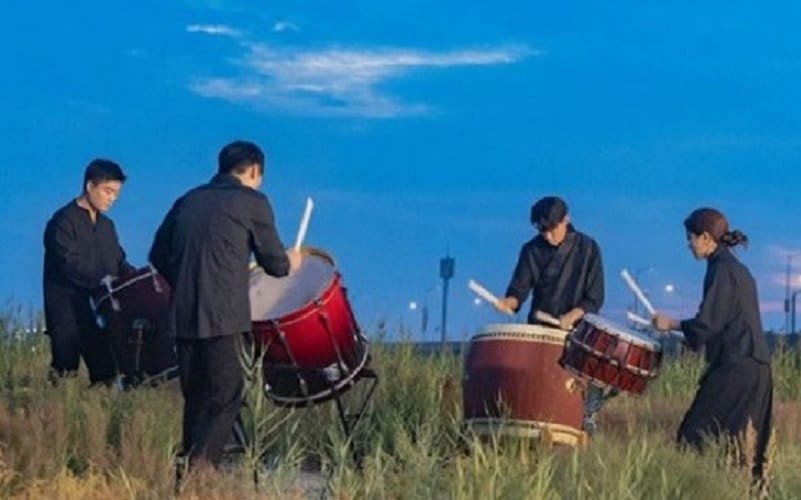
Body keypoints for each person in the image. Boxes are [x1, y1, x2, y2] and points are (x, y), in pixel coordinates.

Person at [149, 140, 302, 473]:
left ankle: (186, 470)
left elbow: (157, 255)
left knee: (197, 398)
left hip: (184, 315)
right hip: (223, 317)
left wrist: (190, 279)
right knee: (227, 395)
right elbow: (274, 264)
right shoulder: (252, 202)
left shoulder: (187, 201)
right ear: (253, 170)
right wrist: (290, 260)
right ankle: (199, 472)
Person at [652, 208, 772, 484]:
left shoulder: (722, 270)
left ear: (706, 238)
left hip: (738, 366)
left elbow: (709, 323)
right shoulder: (735, 269)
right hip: (753, 366)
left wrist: (671, 324)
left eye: (690, 238)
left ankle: (695, 489)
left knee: (694, 434)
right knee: (742, 445)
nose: (688, 244)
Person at [494, 195, 607, 432]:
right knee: (539, 392)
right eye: (541, 231)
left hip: (578, 332)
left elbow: (595, 297)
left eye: (551, 230)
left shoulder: (588, 248)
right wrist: (509, 302)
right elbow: (519, 289)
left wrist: (573, 315)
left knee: (574, 393)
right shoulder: (531, 250)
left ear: (566, 220)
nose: (546, 236)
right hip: (541, 332)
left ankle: (580, 429)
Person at [43, 159, 133, 385]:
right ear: (90, 186)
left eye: (116, 194)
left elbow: (119, 262)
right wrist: (103, 281)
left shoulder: (107, 227)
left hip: (101, 311)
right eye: (108, 191)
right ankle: (52, 415)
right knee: (65, 373)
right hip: (67, 310)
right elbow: (69, 264)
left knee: (106, 372)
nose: (112, 199)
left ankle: (97, 416)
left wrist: (141, 280)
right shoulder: (63, 221)